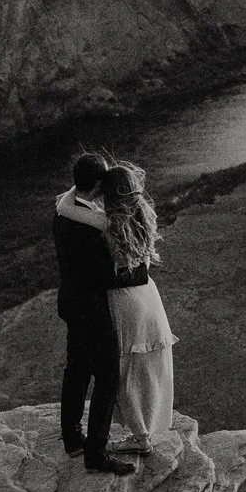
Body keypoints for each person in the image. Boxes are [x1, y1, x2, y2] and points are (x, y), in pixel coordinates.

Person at [59, 160, 174, 456]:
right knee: (145, 367)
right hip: (148, 297)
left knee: (120, 370)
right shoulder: (144, 216)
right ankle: (147, 427)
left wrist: (82, 186)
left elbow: (63, 206)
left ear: (105, 192)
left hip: (123, 299)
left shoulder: (106, 222)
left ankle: (139, 435)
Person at [53, 153, 137, 475]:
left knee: (76, 368)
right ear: (99, 185)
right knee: (107, 375)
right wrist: (138, 274)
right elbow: (104, 276)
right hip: (89, 308)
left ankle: (72, 439)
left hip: (71, 302)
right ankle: (96, 455)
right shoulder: (87, 226)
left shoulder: (64, 211)